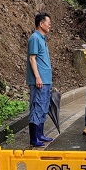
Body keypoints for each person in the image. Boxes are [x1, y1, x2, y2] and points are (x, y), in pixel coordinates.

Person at [26, 12, 54, 147]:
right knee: (37, 106)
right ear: (41, 24)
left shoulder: (42, 38)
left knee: (43, 107)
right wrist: (37, 77)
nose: (50, 25)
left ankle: (40, 134)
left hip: (45, 80)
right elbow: (32, 58)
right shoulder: (35, 38)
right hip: (39, 80)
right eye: (48, 23)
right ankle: (34, 138)